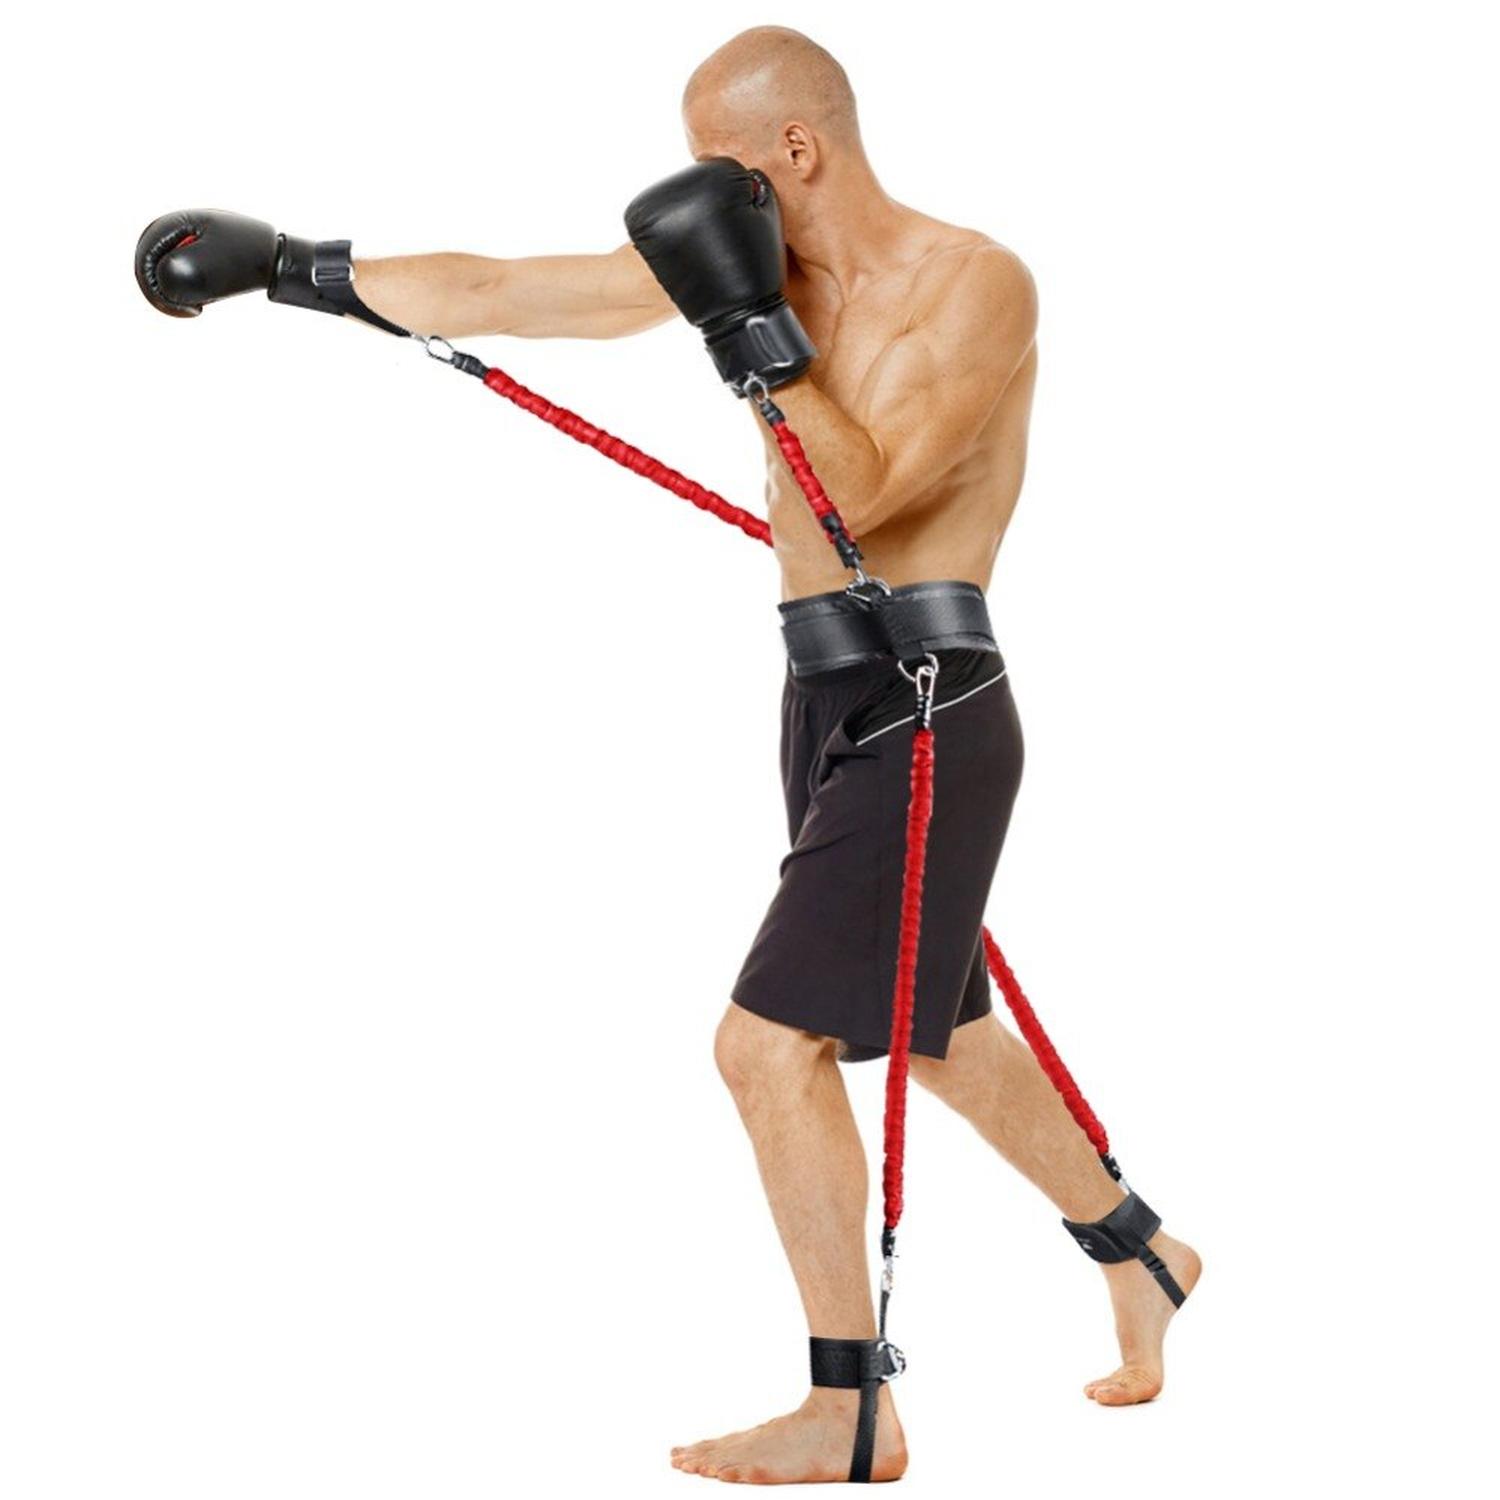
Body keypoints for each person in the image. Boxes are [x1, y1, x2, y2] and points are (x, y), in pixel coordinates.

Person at [135, 23, 1200, 1487]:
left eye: (722, 162)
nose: (705, 189)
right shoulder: (765, 266)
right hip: (823, 696)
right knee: (928, 1035)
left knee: (766, 1047)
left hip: (929, 701)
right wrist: (298, 271)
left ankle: (852, 1407)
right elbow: (509, 290)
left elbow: (861, 498)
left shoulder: (972, 283)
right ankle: (1141, 1250)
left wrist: (748, 325)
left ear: (794, 150)